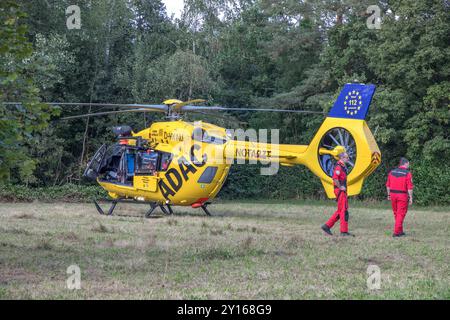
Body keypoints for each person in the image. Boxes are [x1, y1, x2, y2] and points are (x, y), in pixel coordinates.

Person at [321, 152, 354, 236]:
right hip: (340, 191)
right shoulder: (339, 167)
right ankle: (343, 232)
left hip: (342, 191)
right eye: (347, 157)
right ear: (342, 158)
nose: (348, 159)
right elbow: (335, 178)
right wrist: (340, 187)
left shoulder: (342, 166)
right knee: (343, 211)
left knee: (340, 211)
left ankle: (327, 226)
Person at [386, 157, 414, 237]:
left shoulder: (392, 172)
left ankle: (400, 230)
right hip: (402, 195)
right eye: (408, 163)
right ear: (405, 163)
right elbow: (409, 187)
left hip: (393, 194)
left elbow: (388, 185)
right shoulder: (407, 173)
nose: (409, 165)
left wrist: (388, 195)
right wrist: (411, 197)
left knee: (396, 213)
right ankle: (396, 232)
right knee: (401, 214)